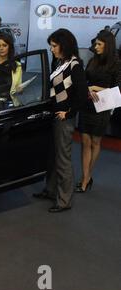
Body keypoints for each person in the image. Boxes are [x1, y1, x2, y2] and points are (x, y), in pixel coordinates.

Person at [33, 28, 88, 213]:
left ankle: (64, 201)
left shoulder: (75, 66)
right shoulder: (59, 62)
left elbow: (82, 95)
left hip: (64, 119)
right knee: (52, 157)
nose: (51, 49)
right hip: (53, 115)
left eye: (54, 46)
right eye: (51, 46)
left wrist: (69, 113)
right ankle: (50, 190)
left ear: (64, 45)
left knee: (63, 159)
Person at [76, 30, 121, 192]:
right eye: (95, 44)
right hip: (87, 105)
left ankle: (86, 178)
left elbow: (117, 90)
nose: (95, 47)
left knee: (95, 142)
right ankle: (86, 176)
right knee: (85, 142)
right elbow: (85, 79)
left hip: (102, 107)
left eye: (99, 44)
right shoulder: (93, 61)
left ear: (108, 46)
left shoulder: (116, 63)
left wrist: (96, 88)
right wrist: (88, 88)